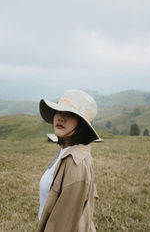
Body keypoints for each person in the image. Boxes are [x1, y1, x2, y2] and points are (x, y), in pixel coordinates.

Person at [37, 89, 100, 232]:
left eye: (70, 114)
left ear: (82, 124)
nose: (60, 117)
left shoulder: (75, 162)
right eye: (59, 111)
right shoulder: (66, 150)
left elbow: (63, 225)